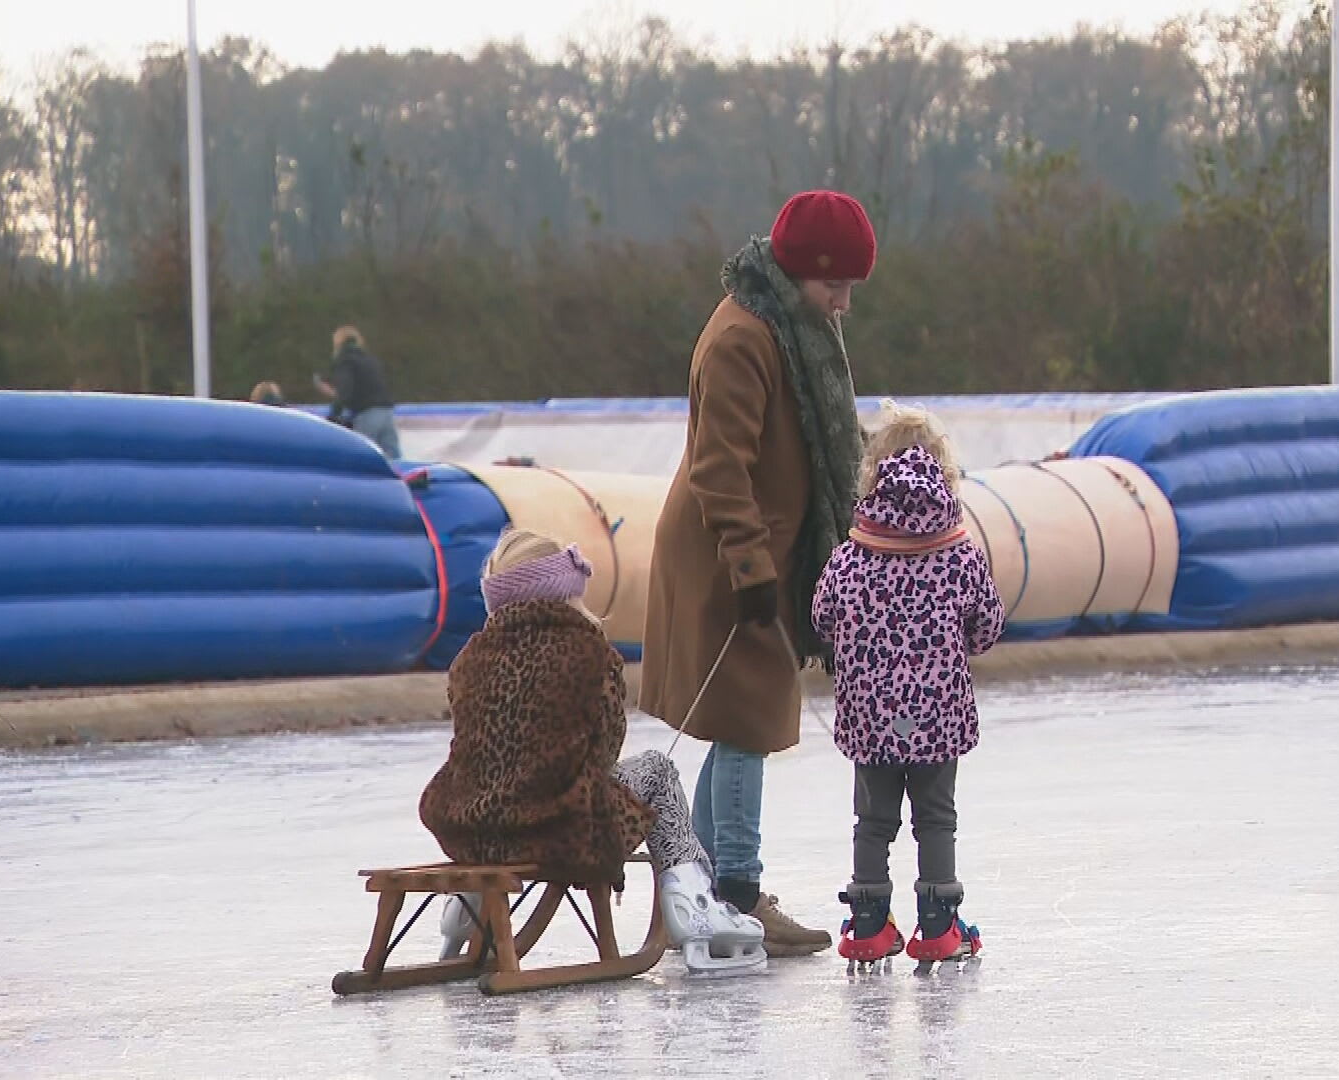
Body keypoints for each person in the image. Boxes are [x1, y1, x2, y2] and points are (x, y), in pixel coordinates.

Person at [638, 190, 878, 958]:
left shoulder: (794, 327)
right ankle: (737, 893)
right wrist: (749, 569)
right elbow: (720, 469)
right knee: (746, 724)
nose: (843, 302)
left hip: (760, 549)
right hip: (728, 553)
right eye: (833, 284)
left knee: (734, 724)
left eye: (851, 287)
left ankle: (700, 883)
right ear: (799, 270)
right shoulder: (744, 338)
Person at [419, 528, 766, 977]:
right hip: (557, 827)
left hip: (470, 827)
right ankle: (691, 901)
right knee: (656, 769)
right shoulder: (587, 652)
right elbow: (602, 753)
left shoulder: (469, 659)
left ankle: (464, 911)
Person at [812, 404, 1005, 965]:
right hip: (939, 713)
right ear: (943, 473)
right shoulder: (959, 554)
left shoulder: (851, 554)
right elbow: (987, 623)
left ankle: (870, 923)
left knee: (872, 821)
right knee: (936, 818)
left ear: (873, 471)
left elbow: (823, 615)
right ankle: (939, 923)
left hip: (870, 715)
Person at [315, 326, 400, 458]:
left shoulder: (345, 360)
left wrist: (333, 415)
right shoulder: (371, 359)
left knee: (361, 455)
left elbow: (346, 391)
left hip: (367, 413)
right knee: (392, 457)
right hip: (386, 411)